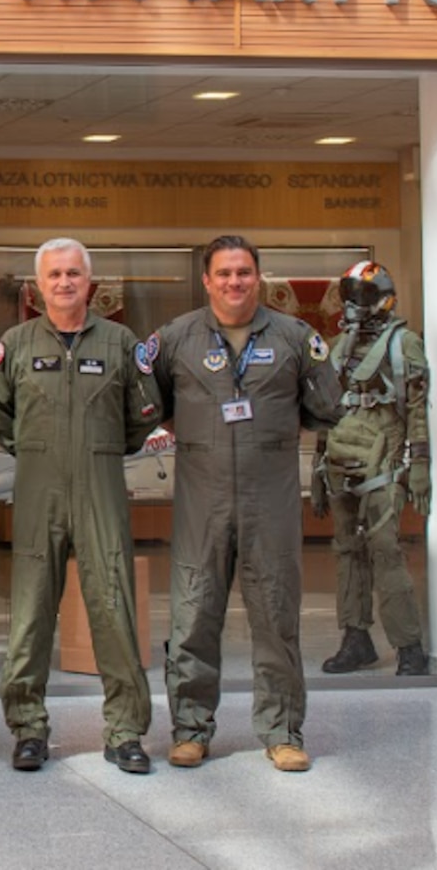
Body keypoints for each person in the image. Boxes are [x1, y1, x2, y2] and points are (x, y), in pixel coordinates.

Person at [149, 235, 343, 773]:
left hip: (270, 499)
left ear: (258, 278)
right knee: (192, 613)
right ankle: (190, 729)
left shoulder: (294, 338)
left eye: (244, 273)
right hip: (200, 499)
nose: (235, 282)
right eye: (224, 274)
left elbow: (325, 407)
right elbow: (151, 405)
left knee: (277, 613)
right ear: (206, 280)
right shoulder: (175, 340)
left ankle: (282, 732)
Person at [0, 239, 163, 775]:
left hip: (101, 486)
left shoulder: (120, 342)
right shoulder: (14, 344)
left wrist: (100, 449)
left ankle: (125, 731)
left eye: (74, 273)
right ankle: (28, 729)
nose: (64, 282)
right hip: (39, 488)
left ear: (91, 283)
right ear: (38, 285)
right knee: (30, 612)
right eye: (54, 274)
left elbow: (144, 412)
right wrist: (36, 449)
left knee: (115, 607)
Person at [312, 260, 432, 676]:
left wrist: (420, 463)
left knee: (385, 552)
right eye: (349, 295)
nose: (353, 305)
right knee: (347, 551)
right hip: (343, 459)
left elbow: (417, 409)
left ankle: (409, 646)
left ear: (383, 299)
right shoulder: (337, 347)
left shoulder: (406, 345)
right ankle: (355, 638)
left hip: (386, 462)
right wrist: (318, 466)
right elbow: (327, 409)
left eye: (361, 297)